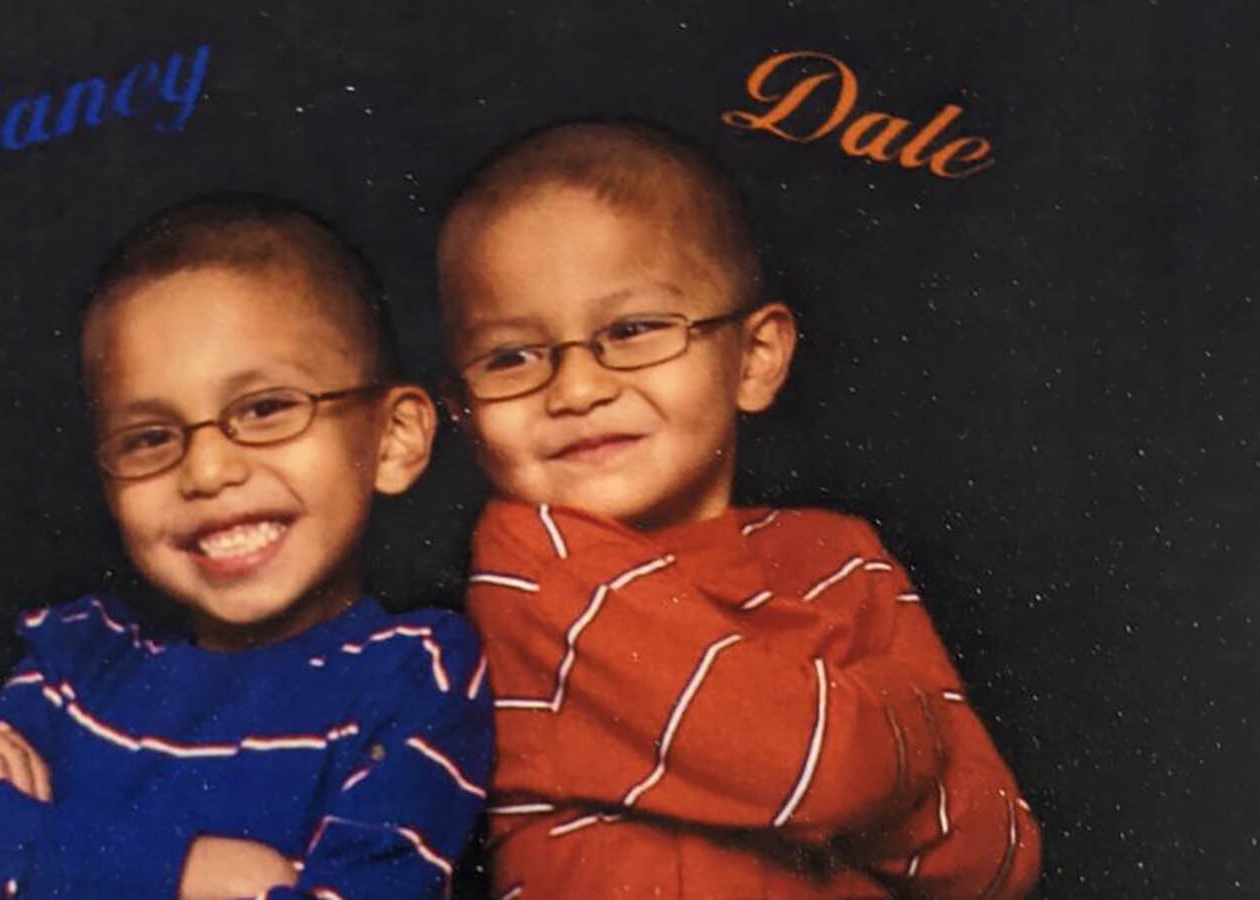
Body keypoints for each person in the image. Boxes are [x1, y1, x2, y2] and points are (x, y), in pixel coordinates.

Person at [437, 119, 1041, 898]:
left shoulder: (838, 553)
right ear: (465, 414)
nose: (577, 390)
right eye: (511, 357)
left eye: (633, 329)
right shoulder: (530, 559)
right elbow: (810, 766)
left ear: (755, 359)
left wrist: (840, 740)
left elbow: (999, 857)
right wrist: (908, 714)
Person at [0, 193, 493, 900]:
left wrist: (33, 845)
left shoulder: (415, 674)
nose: (209, 471)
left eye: (266, 408)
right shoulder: (82, 668)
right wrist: (186, 873)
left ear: (394, 440)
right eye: (151, 438)